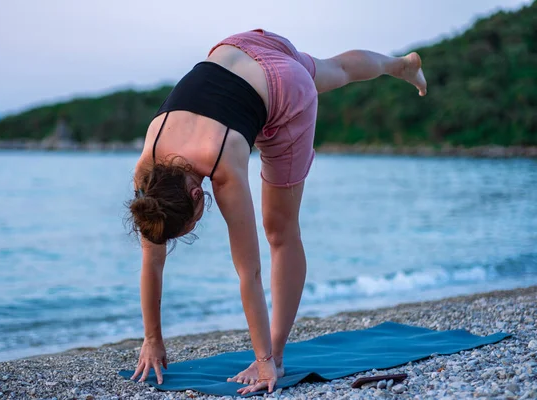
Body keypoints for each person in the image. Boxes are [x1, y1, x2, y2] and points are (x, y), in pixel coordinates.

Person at [128, 29, 427, 395]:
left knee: (279, 231)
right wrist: (152, 339)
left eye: (193, 220)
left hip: (286, 93)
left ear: (196, 193)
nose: (198, 223)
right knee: (339, 70)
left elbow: (249, 273)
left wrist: (264, 359)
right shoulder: (150, 172)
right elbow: (152, 260)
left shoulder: (221, 166)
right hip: (242, 48)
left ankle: (278, 355)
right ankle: (402, 65)